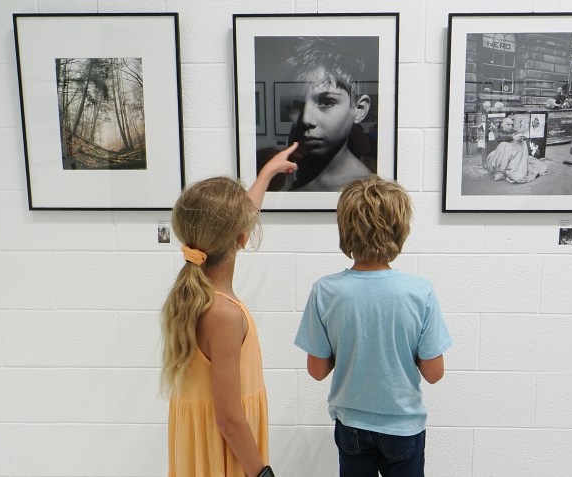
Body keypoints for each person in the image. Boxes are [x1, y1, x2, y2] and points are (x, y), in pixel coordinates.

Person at [294, 176, 452, 477]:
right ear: (400, 229)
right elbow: (434, 373)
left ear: (345, 229)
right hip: (403, 427)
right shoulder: (419, 292)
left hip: (351, 426)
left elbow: (317, 370)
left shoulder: (325, 291)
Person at [161, 143, 298, 477]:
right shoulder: (223, 314)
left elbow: (239, 218)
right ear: (241, 239)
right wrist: (262, 473)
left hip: (206, 446)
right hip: (225, 452)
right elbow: (229, 418)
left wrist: (267, 173)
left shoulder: (197, 296)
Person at [284, 37, 376, 191]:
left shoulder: (366, 190)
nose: (306, 119)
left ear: (359, 109)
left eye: (327, 102)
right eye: (297, 105)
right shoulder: (286, 178)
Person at [483, 115, 549, 183]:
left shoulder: (513, 131)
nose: (510, 126)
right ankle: (502, 171)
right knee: (503, 145)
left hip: (513, 155)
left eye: (512, 125)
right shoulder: (497, 131)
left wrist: (521, 138)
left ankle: (513, 169)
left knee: (522, 144)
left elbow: (517, 140)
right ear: (503, 125)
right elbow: (500, 137)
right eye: (508, 124)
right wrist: (512, 137)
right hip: (501, 154)